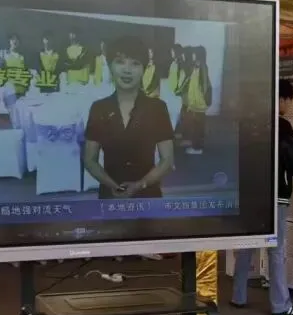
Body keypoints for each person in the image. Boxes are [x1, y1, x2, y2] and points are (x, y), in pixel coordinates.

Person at [231, 80, 293, 315]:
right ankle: (280, 305)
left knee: (246, 246)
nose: (289, 106)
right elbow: (292, 157)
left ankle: (238, 296)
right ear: (283, 99)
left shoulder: (248, 123)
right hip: (275, 196)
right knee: (276, 250)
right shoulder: (281, 126)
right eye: (289, 101)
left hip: (250, 195)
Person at [81, 36, 174, 199]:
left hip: (148, 195)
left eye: (135, 63)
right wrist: (113, 186)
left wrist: (140, 185)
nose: (127, 70)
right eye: (120, 62)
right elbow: (90, 160)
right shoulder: (99, 108)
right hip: (110, 195)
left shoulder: (157, 108)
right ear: (110, 66)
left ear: (144, 69)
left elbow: (167, 160)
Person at [182, 46, 211, 154]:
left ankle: (197, 148)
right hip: (195, 102)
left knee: (197, 126)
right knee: (196, 125)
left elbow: (204, 86)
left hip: (198, 102)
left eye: (194, 53)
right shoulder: (196, 66)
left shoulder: (202, 67)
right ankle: (196, 146)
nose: (192, 55)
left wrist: (200, 99)